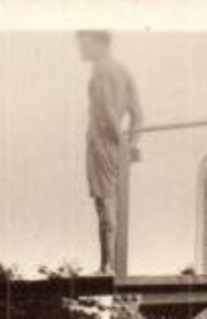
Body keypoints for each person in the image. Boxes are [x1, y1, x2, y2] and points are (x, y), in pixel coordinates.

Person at [79, 30, 143, 274]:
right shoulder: (124, 71)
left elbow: (106, 109)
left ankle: (108, 265)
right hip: (115, 145)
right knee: (109, 204)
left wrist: (121, 141)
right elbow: (138, 115)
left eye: (84, 45)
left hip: (102, 142)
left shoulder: (103, 70)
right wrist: (131, 143)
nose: (81, 51)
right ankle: (109, 263)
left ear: (98, 43)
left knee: (105, 204)